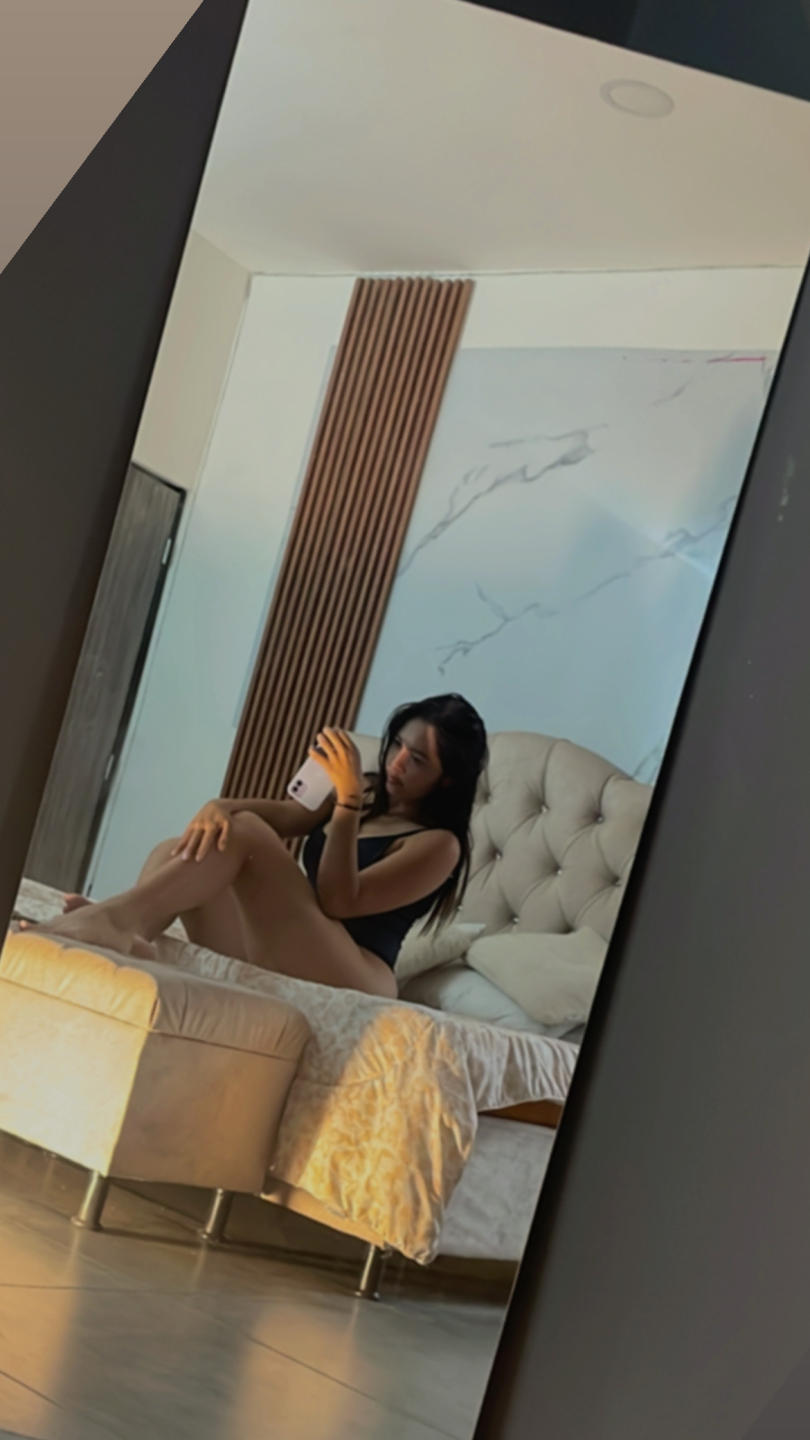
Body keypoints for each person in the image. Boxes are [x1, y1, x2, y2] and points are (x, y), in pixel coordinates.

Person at [26, 694, 488, 998]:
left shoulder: (439, 846)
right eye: (398, 745)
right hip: (292, 946)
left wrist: (346, 804)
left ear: (447, 779)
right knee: (176, 849)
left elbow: (339, 900)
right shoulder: (367, 789)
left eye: (417, 759)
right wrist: (219, 806)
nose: (397, 762)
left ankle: (113, 922)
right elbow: (288, 816)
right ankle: (132, 928)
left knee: (245, 834)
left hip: (354, 972)